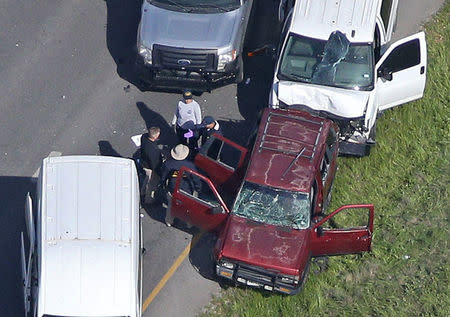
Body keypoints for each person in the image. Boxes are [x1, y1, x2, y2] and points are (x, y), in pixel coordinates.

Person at [160, 144, 201, 226]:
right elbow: (196, 178)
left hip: (173, 188)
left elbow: (163, 176)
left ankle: (169, 221)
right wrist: (198, 188)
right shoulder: (190, 165)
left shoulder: (168, 164)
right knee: (188, 208)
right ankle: (189, 223)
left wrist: (163, 185)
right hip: (187, 190)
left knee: (171, 206)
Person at [140, 127, 163, 204]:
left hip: (144, 163)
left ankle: (142, 192)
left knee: (146, 180)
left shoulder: (144, 137)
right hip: (150, 168)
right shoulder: (154, 150)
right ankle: (148, 200)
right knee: (151, 185)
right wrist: (159, 174)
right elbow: (155, 164)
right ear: (155, 136)